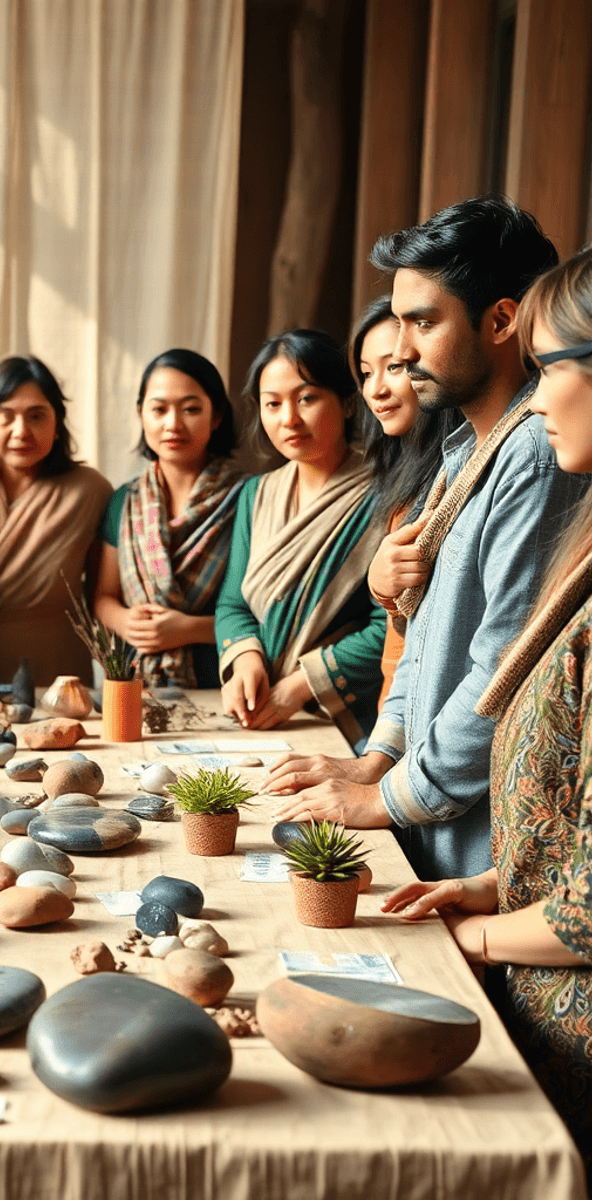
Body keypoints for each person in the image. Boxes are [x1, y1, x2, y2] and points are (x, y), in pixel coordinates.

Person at [267, 196, 586, 882]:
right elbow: (423, 641)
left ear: (500, 320)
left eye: (423, 322)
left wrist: (386, 797)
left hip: (478, 847)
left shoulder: (536, 455)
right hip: (432, 828)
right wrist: (377, 760)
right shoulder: (464, 451)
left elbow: (500, 673)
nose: (402, 350)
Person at [383, 245, 592, 1170]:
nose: (539, 399)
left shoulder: (535, 463)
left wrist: (471, 934)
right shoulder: (545, 499)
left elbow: (590, 910)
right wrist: (501, 882)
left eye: (554, 368)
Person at [215, 330, 385, 749]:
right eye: (272, 404)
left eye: (306, 398)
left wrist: (301, 685)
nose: (288, 419)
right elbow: (233, 603)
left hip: (352, 719)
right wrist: (245, 659)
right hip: (265, 714)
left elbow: (392, 626)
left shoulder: (386, 494)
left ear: (348, 402)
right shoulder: (256, 495)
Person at [0, 355, 112, 685]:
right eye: (6, 416)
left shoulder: (90, 490)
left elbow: (101, 598)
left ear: (57, 424)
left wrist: (118, 675)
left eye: (36, 416)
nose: (21, 431)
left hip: (60, 666)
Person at [94, 348, 246, 688]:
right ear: (141, 414)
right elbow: (103, 596)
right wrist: (125, 621)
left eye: (191, 409)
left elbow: (266, 614)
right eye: (159, 409)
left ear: (217, 416)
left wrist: (189, 629)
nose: (173, 424)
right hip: (136, 687)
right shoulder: (124, 502)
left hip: (227, 682)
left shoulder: (249, 498)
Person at [350, 296, 452, 705]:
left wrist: (384, 588)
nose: (376, 389)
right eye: (365, 373)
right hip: (393, 708)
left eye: (393, 367)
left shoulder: (452, 477)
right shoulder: (397, 474)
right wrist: (381, 589)